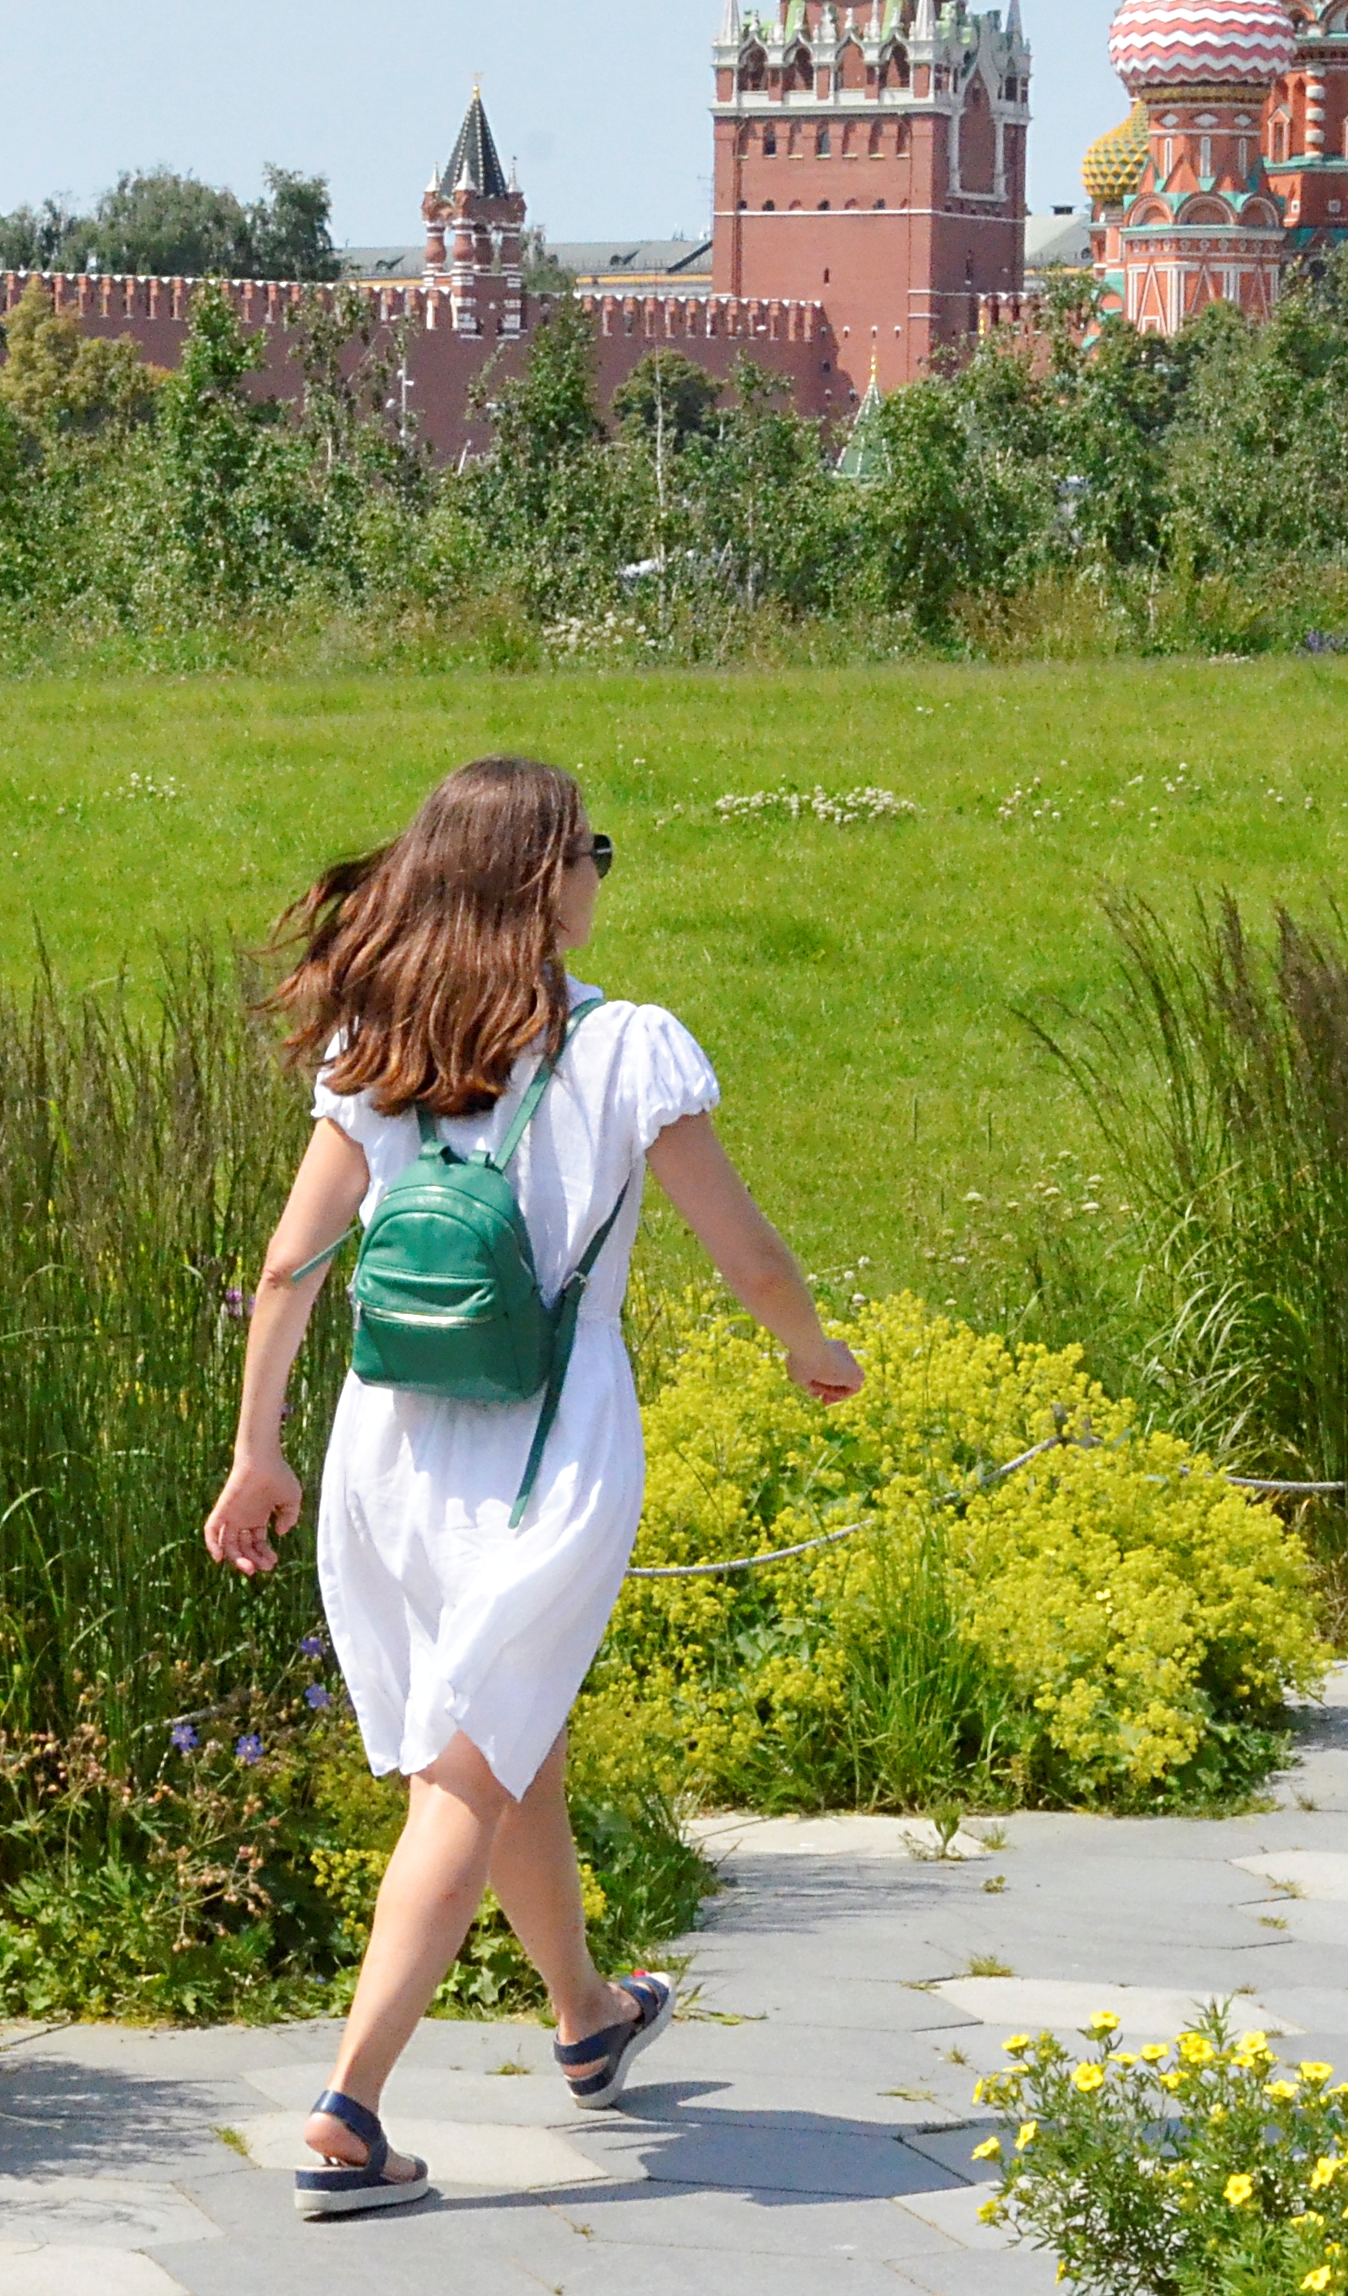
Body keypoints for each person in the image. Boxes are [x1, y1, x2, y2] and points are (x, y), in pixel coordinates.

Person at [203, 755, 859, 2218]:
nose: (599, 878)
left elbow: (289, 1268)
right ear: (541, 884)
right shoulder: (631, 1050)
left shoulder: (373, 1046)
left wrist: (260, 1451)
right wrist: (811, 1348)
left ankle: (587, 2018)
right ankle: (351, 2108)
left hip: (389, 1447)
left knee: (513, 1737)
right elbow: (746, 1252)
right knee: (467, 1766)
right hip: (545, 1453)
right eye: (591, 853)